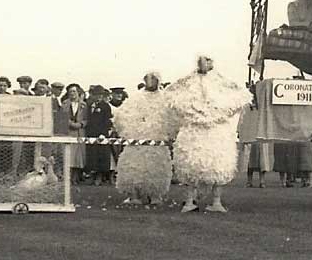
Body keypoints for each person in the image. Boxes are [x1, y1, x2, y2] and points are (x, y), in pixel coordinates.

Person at [168, 55, 253, 213]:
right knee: (191, 165)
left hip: (215, 131)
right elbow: (171, 95)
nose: (204, 63)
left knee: (217, 165)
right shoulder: (188, 81)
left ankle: (216, 201)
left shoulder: (221, 81)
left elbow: (241, 96)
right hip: (194, 130)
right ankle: (189, 201)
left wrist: (221, 114)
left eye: (207, 60)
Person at [113, 71, 178, 206]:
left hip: (157, 139)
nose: (151, 81)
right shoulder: (136, 98)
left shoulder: (165, 98)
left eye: (154, 79)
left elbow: (172, 117)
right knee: (134, 166)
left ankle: (155, 195)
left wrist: (168, 133)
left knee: (157, 167)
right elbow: (122, 115)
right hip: (138, 138)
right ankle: (134, 195)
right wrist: (130, 131)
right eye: (148, 79)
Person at [85, 85, 114, 185]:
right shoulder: (89, 105)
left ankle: (100, 177)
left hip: (101, 135)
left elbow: (108, 121)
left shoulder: (106, 106)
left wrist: (103, 133)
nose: (99, 97)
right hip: (91, 134)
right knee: (92, 156)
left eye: (100, 95)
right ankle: (93, 176)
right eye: (96, 94)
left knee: (101, 156)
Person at [61, 83, 87, 184]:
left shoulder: (83, 105)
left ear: (78, 92)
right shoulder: (65, 104)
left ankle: (75, 178)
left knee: (78, 157)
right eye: (70, 91)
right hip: (68, 131)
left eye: (74, 91)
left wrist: (80, 124)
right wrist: (70, 123)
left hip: (79, 132)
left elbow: (86, 119)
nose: (72, 93)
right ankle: (67, 178)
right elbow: (62, 117)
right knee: (69, 156)